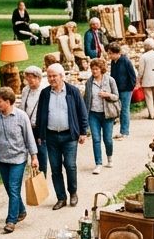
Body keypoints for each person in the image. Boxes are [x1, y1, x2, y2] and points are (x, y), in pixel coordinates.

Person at [35, 63, 88, 211]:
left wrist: (83, 132)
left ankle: (73, 192)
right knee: (56, 168)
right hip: (51, 136)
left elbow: (82, 112)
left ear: (62, 76)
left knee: (70, 165)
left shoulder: (73, 92)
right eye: (49, 76)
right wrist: (40, 134)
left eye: (54, 76)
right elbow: (40, 115)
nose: (52, 79)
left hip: (69, 136)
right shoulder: (45, 93)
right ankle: (61, 198)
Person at [0, 86, 39, 233]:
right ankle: (21, 211)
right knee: (10, 189)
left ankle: (11, 220)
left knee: (14, 188)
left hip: (18, 159)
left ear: (8, 102)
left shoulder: (21, 117)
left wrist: (34, 157)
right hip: (2, 159)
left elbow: (29, 138)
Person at [84, 58, 119, 174]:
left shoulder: (110, 80)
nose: (94, 72)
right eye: (92, 69)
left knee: (107, 139)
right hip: (93, 114)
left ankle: (110, 157)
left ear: (101, 69)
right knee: (96, 139)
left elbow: (116, 97)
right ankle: (98, 163)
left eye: (96, 69)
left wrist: (107, 95)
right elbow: (86, 99)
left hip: (107, 114)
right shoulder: (89, 82)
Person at [18, 65, 48, 179]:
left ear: (39, 78)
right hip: (27, 125)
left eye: (33, 77)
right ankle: (29, 173)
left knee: (40, 152)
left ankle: (41, 177)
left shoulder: (44, 91)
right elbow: (22, 106)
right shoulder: (26, 90)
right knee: (25, 150)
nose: (30, 80)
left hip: (39, 126)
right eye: (28, 77)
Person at [106, 43, 137, 139]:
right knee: (119, 110)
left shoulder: (125, 61)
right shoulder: (113, 62)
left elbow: (132, 76)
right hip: (117, 89)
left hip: (126, 90)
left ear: (117, 53)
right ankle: (122, 131)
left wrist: (130, 87)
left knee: (124, 110)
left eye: (111, 53)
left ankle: (125, 132)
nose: (109, 56)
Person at [137, 39, 154, 119]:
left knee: (148, 97)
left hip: (147, 78)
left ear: (145, 46)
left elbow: (141, 71)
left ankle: (152, 115)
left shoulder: (143, 56)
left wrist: (138, 79)